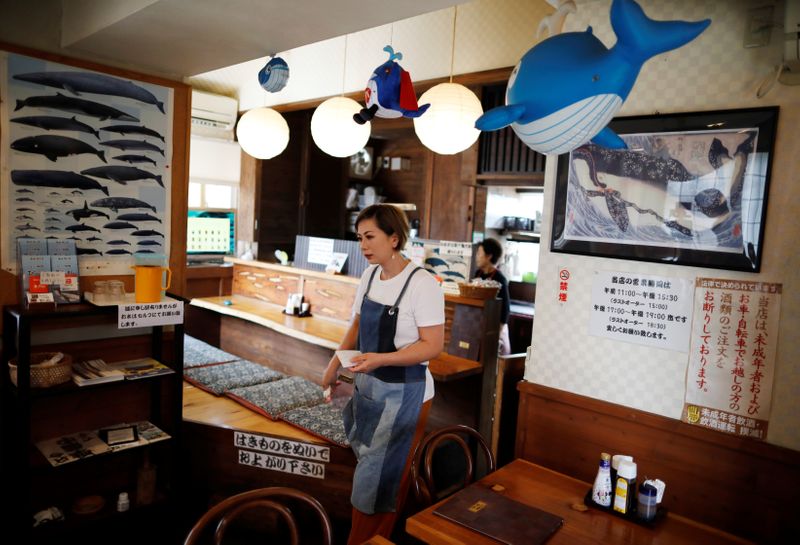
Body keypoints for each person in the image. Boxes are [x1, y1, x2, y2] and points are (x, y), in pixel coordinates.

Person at [322, 204, 444, 544]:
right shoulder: (370, 275)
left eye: (370, 237)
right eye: (359, 237)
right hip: (368, 387)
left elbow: (432, 346)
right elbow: (357, 324)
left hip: (407, 393)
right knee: (371, 469)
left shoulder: (423, 284)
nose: (363, 245)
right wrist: (333, 366)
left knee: (379, 478)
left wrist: (381, 359)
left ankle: (366, 540)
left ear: (394, 238)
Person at [474, 238, 511, 355]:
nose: (477, 256)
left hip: (495, 329)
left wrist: (496, 336)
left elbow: (505, 311)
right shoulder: (478, 274)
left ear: (488, 256)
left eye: (479, 253)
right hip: (480, 326)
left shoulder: (500, 279)